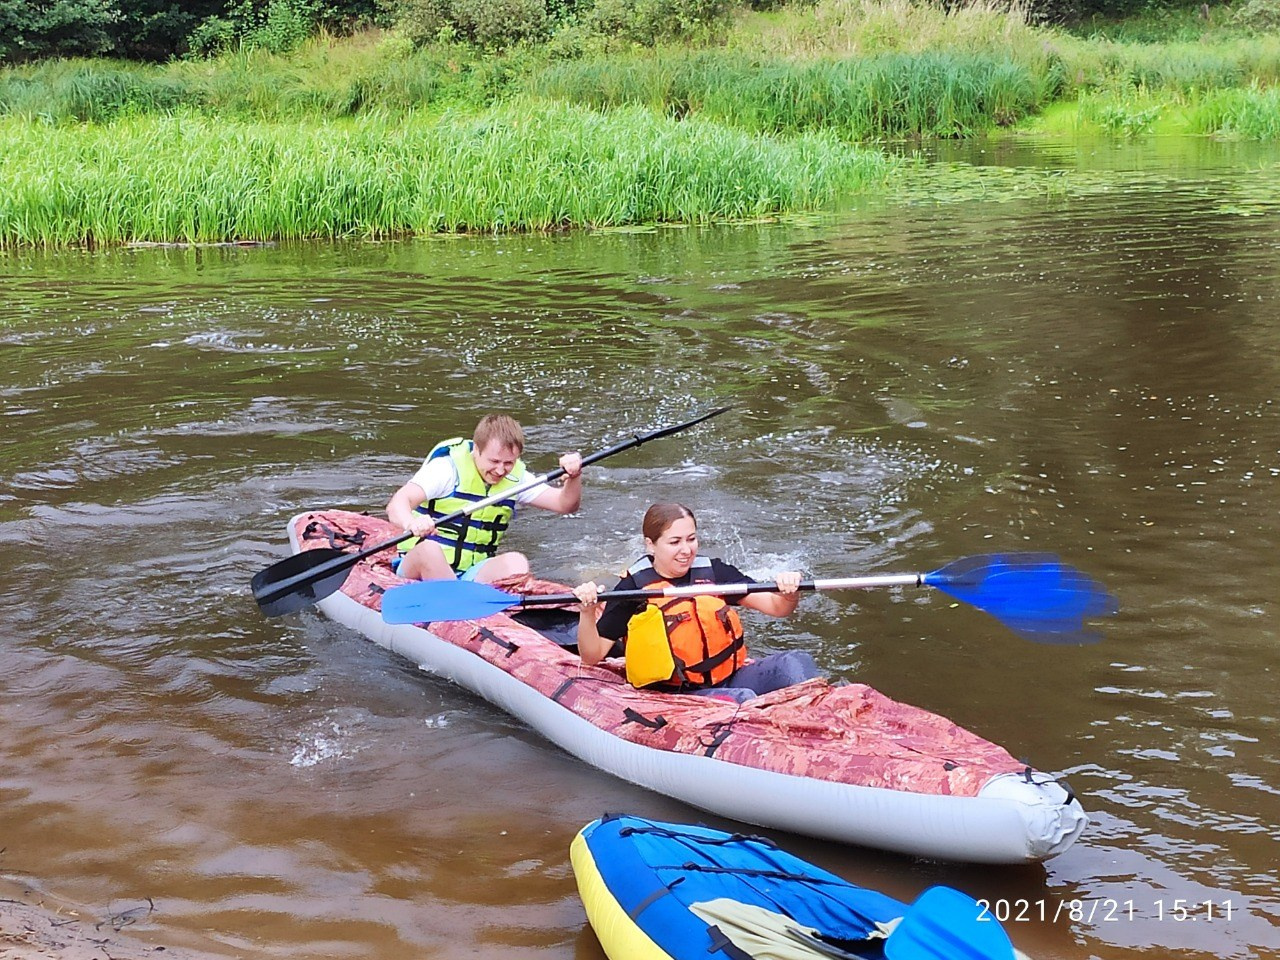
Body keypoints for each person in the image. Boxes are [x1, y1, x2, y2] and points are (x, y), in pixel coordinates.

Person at [573, 503, 822, 703]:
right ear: (651, 544)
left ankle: (822, 724)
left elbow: (777, 608)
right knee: (743, 700)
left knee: (795, 661)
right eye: (675, 542)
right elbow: (592, 656)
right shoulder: (633, 589)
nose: (686, 550)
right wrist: (587, 611)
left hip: (728, 677)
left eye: (691, 539)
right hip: (677, 693)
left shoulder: (715, 572)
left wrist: (789, 593)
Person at [387, 414, 583, 583]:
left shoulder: (517, 477)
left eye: (508, 463)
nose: (500, 470)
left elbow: (565, 505)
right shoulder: (446, 470)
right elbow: (398, 502)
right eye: (494, 461)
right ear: (476, 451)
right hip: (419, 567)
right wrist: (411, 522)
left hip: (470, 574)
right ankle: (452, 606)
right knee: (429, 550)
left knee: (517, 563)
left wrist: (574, 477)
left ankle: (473, 605)